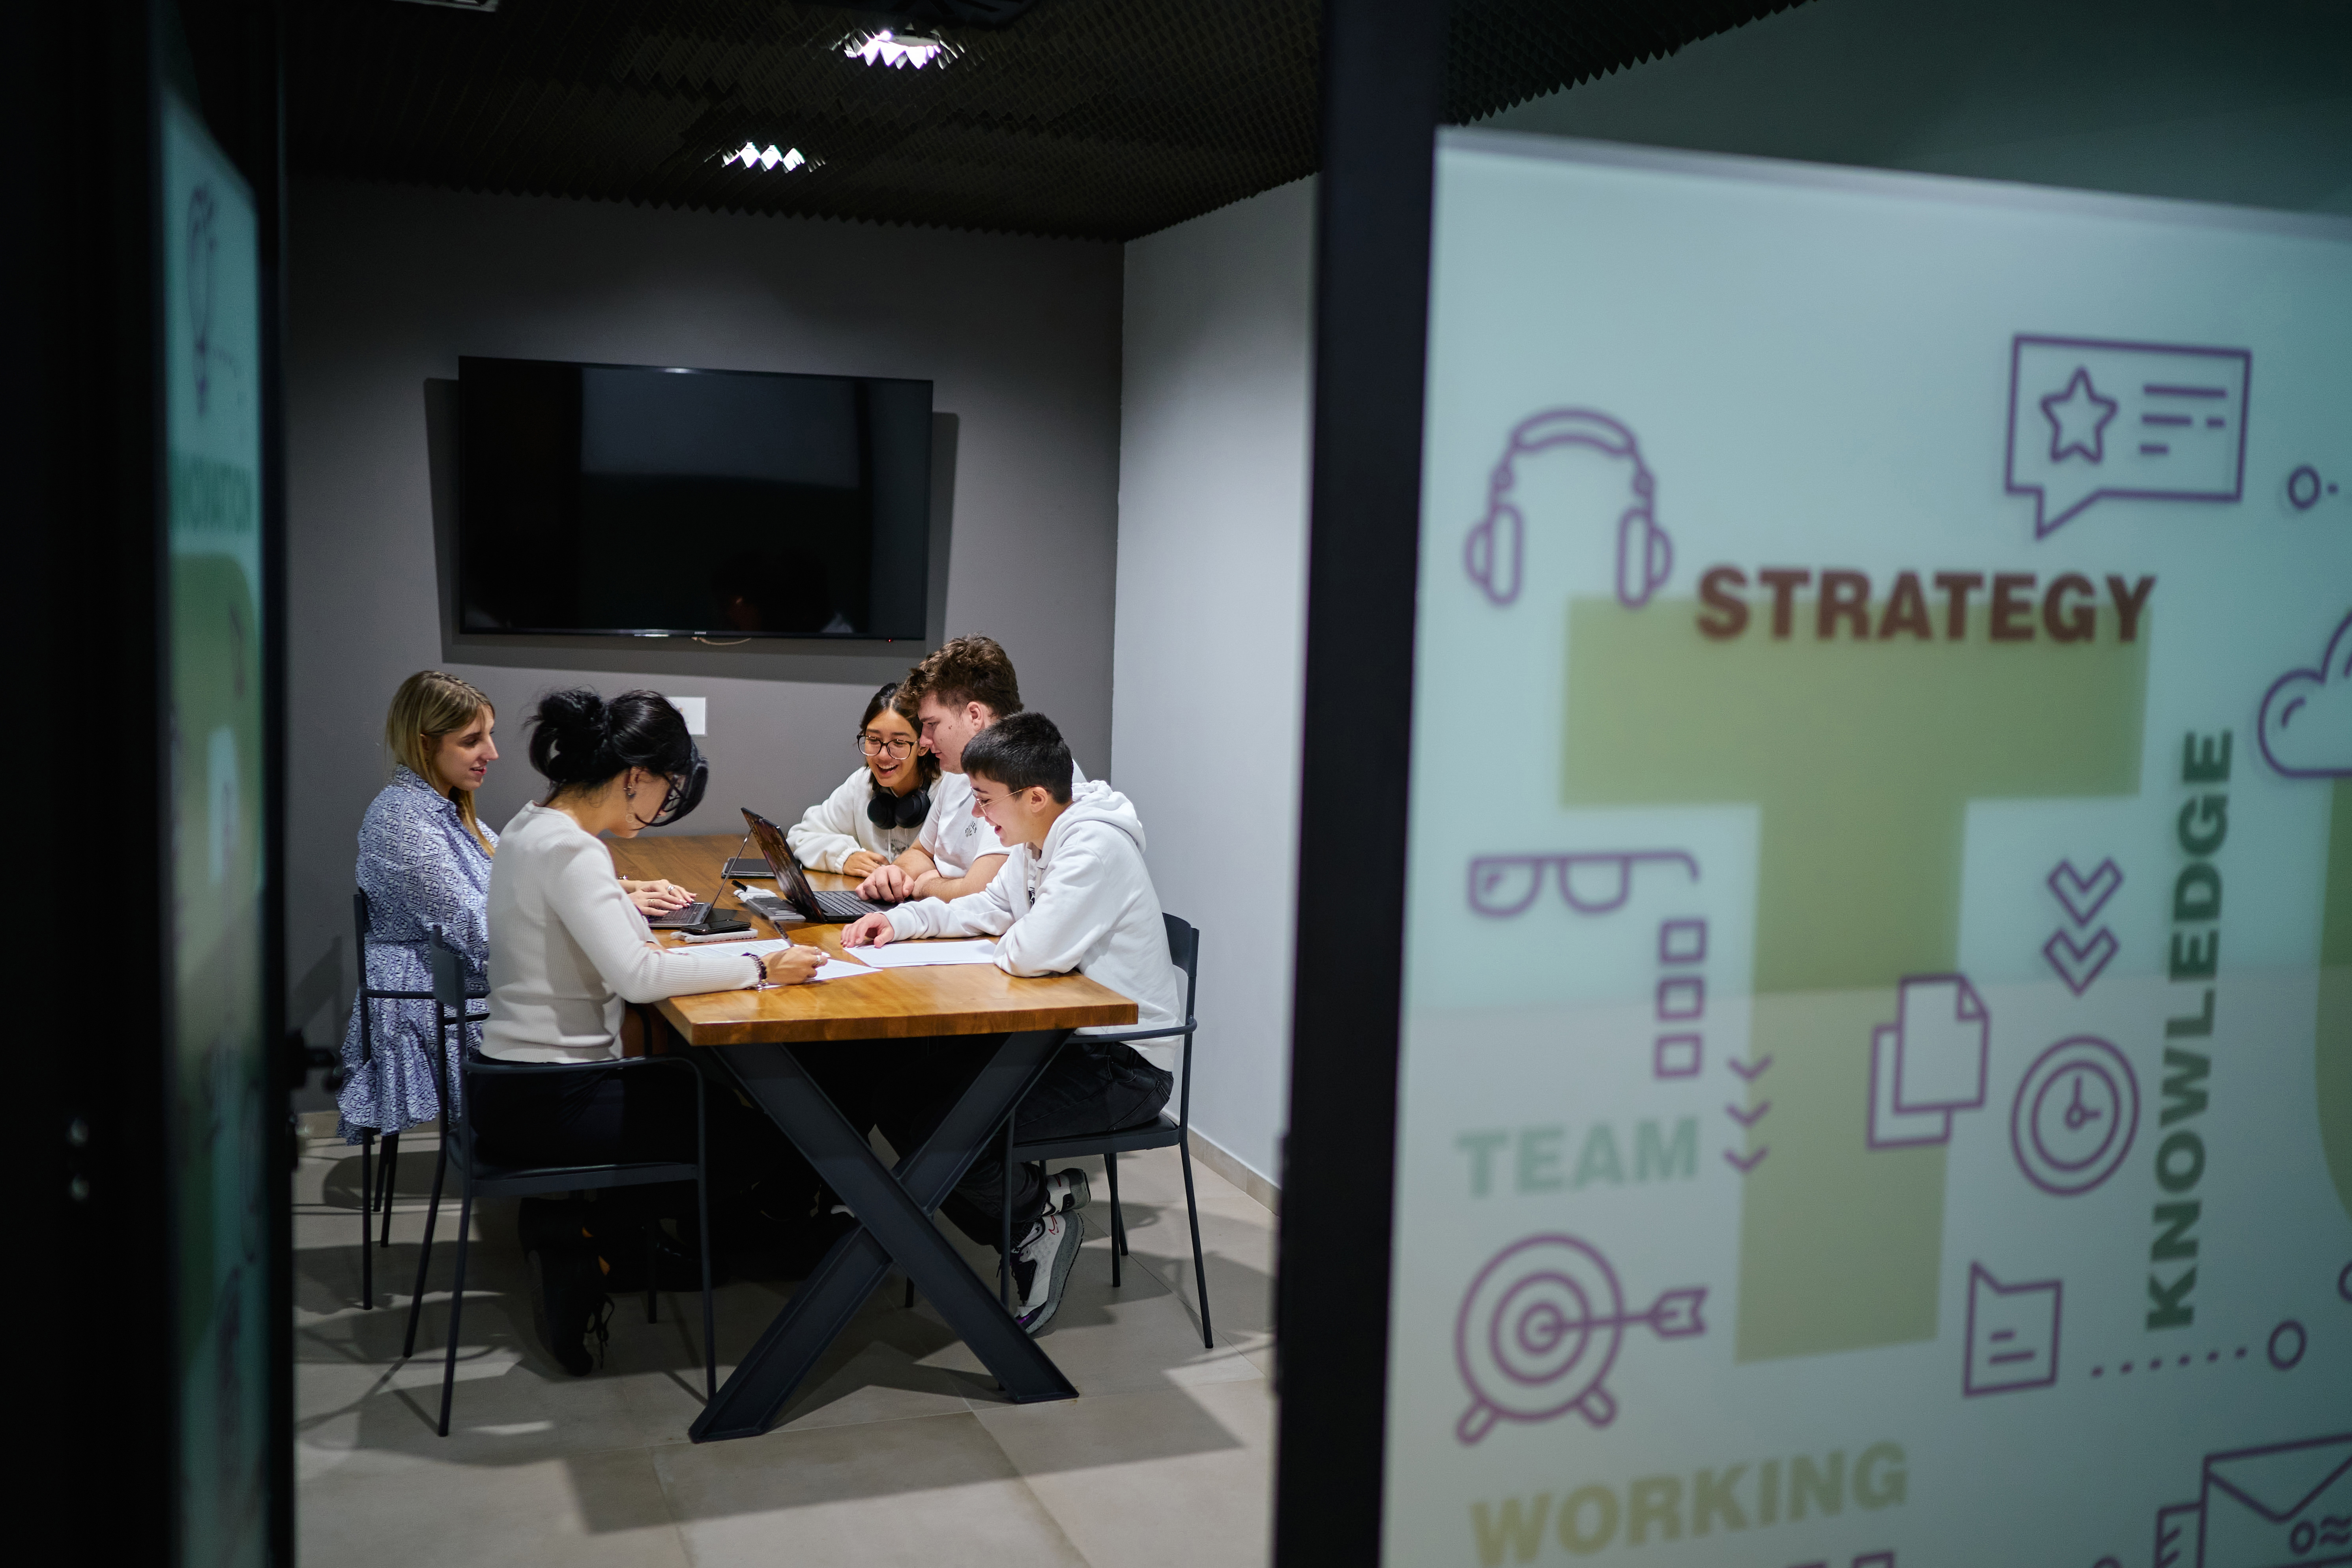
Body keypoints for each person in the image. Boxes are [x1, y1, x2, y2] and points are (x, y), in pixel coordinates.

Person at [479, 687, 823, 1373]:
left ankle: (611, 1236)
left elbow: (619, 943)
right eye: (669, 782)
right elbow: (638, 975)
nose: (670, 798)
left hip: (511, 1086)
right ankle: (587, 1240)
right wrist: (761, 963)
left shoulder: (530, 825)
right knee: (760, 1139)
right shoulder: (573, 850)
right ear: (636, 776)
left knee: (703, 1099)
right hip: (556, 1099)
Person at [842, 711, 1182, 1334]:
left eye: (985, 800)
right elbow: (987, 909)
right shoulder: (1034, 842)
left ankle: (1032, 1225)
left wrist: (1012, 939)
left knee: (946, 1128)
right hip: (1062, 1043)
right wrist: (902, 921)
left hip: (1123, 1066)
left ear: (1035, 796)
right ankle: (1033, 1212)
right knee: (896, 1095)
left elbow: (1029, 951)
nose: (979, 815)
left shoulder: (1093, 847)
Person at [337, 672, 504, 1145]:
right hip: (435, 999)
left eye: (490, 736)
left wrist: (617, 892)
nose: (492, 753)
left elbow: (518, 880)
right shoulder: (402, 819)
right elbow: (479, 931)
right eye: (472, 740)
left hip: (456, 982)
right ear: (425, 743)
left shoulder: (446, 809)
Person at [855, 634, 1084, 906]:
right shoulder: (957, 770)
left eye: (932, 724)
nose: (924, 741)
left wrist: (925, 885)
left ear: (975, 716)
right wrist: (895, 876)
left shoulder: (1029, 772)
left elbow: (981, 894)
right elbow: (921, 853)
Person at [784, 681, 937, 878]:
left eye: (899, 742)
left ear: (923, 746)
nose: (883, 756)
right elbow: (800, 837)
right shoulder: (862, 783)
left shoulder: (948, 790)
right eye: (873, 740)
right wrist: (844, 857)